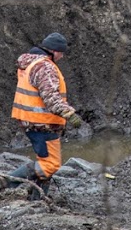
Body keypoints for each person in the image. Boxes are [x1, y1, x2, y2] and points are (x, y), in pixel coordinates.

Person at [7, 32, 83, 198]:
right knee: (50, 164)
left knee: (44, 162)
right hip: (43, 123)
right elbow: (51, 97)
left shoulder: (31, 63)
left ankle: (38, 199)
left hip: (31, 121)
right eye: (61, 53)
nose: (62, 57)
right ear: (54, 51)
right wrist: (69, 114)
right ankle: (8, 183)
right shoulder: (45, 67)